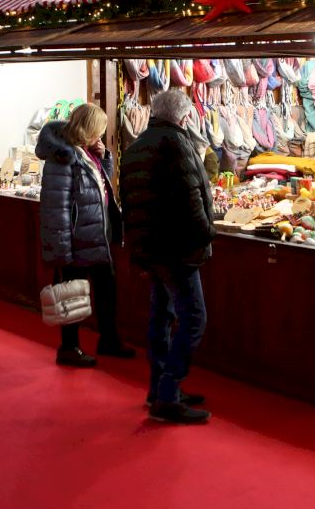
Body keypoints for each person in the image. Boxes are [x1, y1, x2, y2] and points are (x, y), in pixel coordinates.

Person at [120, 89, 215, 424]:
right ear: (184, 116)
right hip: (178, 248)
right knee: (193, 319)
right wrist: (208, 233)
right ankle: (168, 394)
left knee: (161, 317)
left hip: (151, 247)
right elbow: (192, 198)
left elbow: (128, 200)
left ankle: (158, 388)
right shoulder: (177, 143)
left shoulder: (137, 146)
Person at [37, 103, 135, 367]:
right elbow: (56, 208)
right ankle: (69, 347)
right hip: (77, 239)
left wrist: (105, 159)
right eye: (99, 130)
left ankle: (109, 339)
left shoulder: (85, 152)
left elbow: (97, 187)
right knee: (72, 296)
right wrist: (62, 250)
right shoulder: (62, 157)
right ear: (89, 129)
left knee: (106, 291)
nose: (101, 135)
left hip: (96, 235)